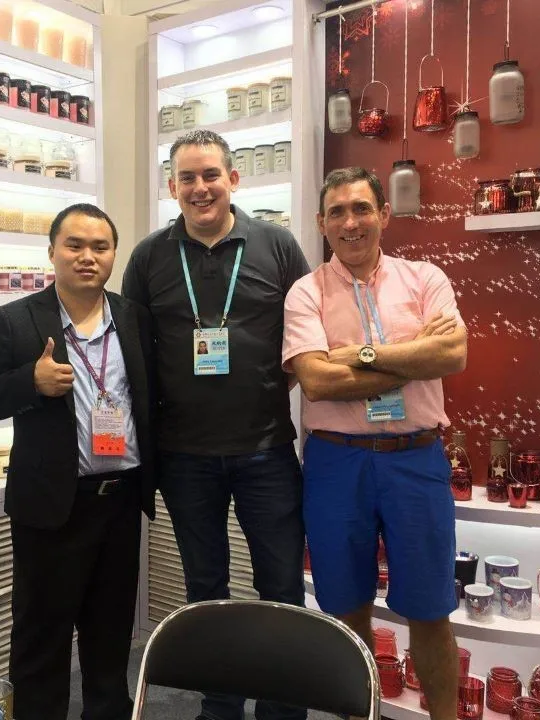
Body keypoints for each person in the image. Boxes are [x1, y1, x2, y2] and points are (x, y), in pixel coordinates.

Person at [122, 129, 310, 720]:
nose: (199, 188)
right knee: (204, 590)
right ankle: (220, 706)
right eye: (187, 178)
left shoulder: (278, 245)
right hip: (184, 457)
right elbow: (135, 354)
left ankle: (282, 709)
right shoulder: (149, 256)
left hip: (266, 450)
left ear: (233, 178)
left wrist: (267, 390)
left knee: (281, 587)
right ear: (172, 186)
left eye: (210, 175)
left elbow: (305, 337)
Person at [283, 167, 468, 720]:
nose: (351, 223)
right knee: (347, 609)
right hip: (336, 463)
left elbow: (452, 354)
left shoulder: (425, 278)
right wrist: (412, 358)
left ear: (384, 214)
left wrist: (358, 355)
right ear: (322, 223)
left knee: (431, 611)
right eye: (337, 212)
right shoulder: (306, 292)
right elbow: (317, 381)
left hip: (417, 460)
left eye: (361, 208)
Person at [0, 203, 156, 720]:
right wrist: (29, 383)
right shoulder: (16, 319)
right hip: (52, 506)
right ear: (52, 251)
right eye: (74, 245)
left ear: (114, 255)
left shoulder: (133, 317)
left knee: (111, 633)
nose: (87, 256)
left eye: (100, 247)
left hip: (120, 500)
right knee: (42, 639)